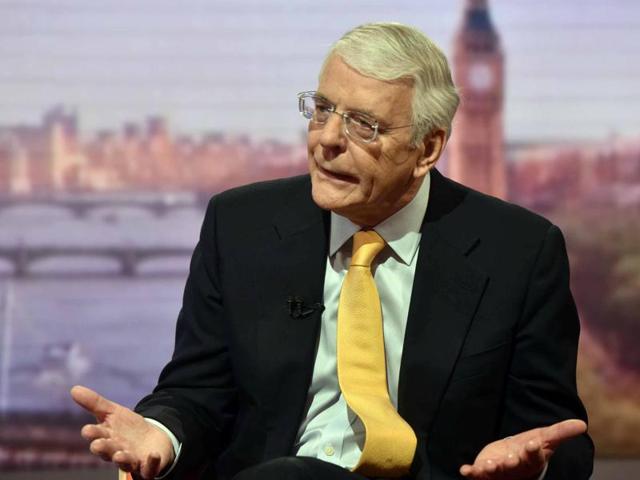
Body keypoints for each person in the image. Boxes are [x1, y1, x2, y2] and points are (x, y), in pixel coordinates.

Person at [71, 22, 593, 480]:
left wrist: (531, 466)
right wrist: (162, 434)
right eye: (321, 110)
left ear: (427, 148)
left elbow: (559, 439)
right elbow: (197, 392)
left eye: (363, 125)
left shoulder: (518, 252)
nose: (326, 140)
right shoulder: (241, 226)